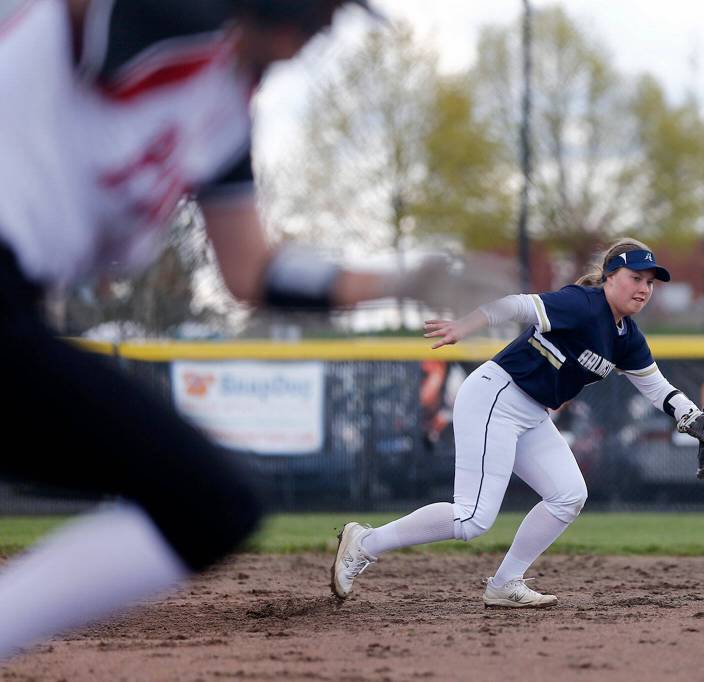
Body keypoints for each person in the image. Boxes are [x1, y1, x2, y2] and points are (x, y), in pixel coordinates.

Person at [0, 0, 499, 659]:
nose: (320, 33)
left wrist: (398, 281)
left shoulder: (224, 115)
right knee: (204, 501)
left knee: (211, 504)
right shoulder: (162, 21)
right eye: (321, 16)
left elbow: (251, 272)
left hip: (16, 307)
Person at [331, 238, 704, 608]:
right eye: (635, 277)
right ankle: (365, 543)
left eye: (650, 281)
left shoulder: (627, 337)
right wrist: (463, 327)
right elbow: (514, 306)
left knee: (568, 495)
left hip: (531, 413)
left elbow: (656, 387)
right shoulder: (583, 304)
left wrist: (693, 417)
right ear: (610, 277)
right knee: (471, 518)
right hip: (496, 396)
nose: (644, 288)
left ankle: (505, 583)